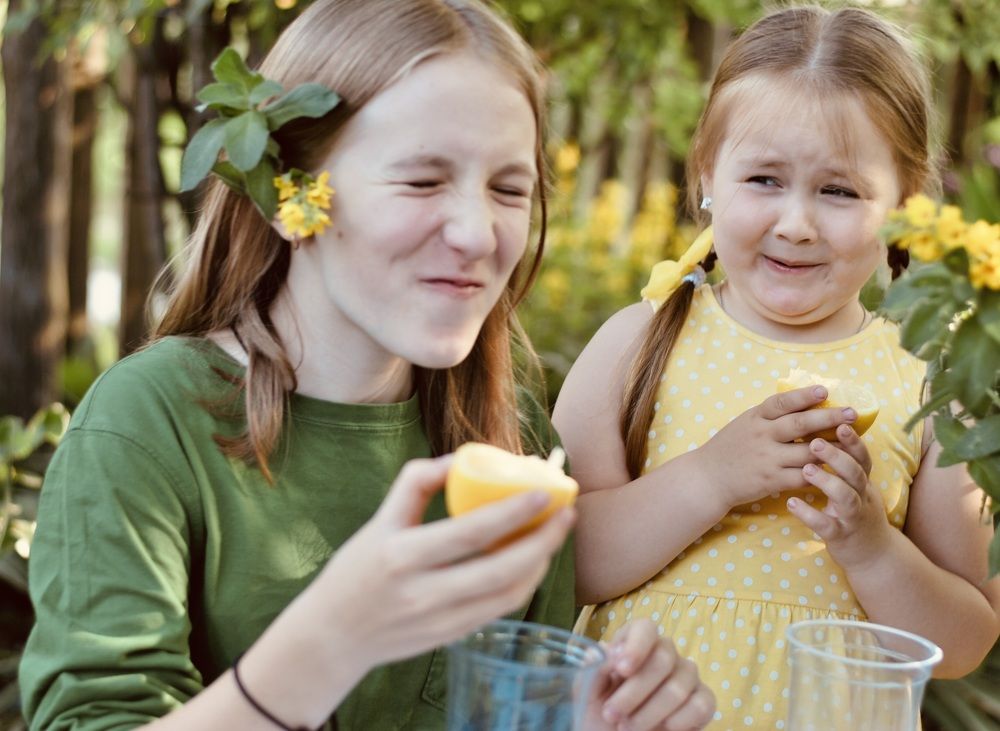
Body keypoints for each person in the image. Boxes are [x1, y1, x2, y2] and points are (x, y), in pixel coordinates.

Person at [19, 1, 716, 730]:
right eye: (421, 181)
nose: (478, 233)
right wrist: (332, 639)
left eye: (509, 189)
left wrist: (586, 718)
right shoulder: (148, 425)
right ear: (291, 195)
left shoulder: (512, 441)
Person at [553, 5, 1000, 729]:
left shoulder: (929, 382)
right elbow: (559, 565)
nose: (796, 222)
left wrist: (870, 545)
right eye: (764, 179)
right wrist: (712, 475)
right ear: (707, 170)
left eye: (839, 190)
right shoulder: (637, 344)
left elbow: (964, 640)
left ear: (907, 202)